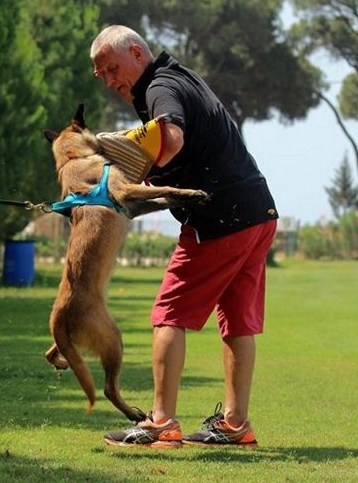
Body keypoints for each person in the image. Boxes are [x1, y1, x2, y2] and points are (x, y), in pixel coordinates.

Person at [90, 25, 278, 448]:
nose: (108, 80)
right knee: (237, 321)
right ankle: (235, 424)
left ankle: (161, 422)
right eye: (100, 74)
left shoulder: (160, 88)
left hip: (220, 219)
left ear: (137, 52)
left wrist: (121, 162)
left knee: (168, 313)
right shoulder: (176, 78)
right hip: (258, 211)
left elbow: (170, 138)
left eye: (112, 68)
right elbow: (172, 155)